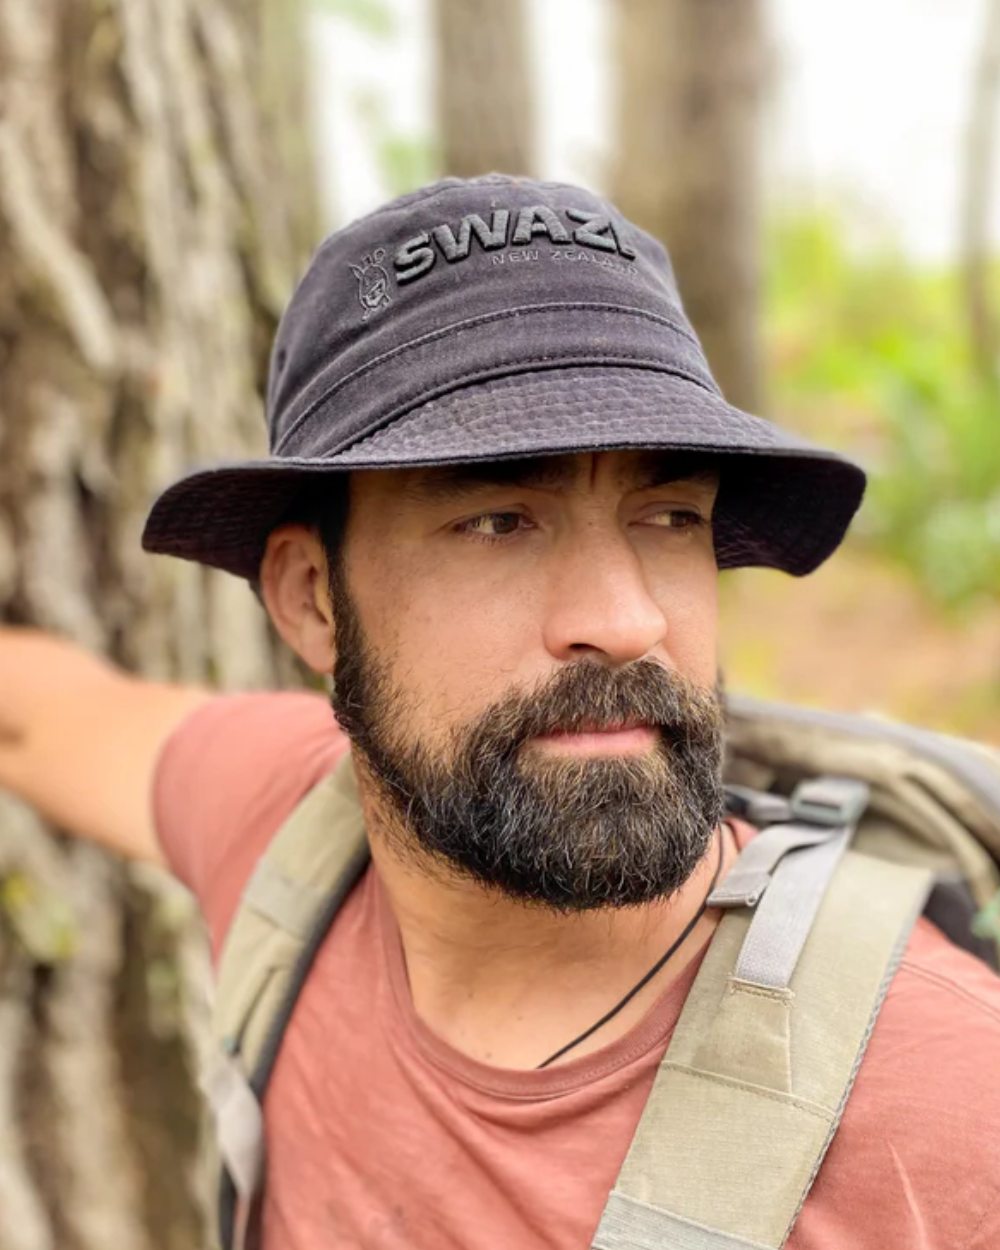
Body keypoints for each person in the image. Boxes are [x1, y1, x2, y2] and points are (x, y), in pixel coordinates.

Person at [1, 173, 999, 1250]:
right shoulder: (288, 829)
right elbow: (39, 717)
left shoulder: (947, 1115)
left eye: (670, 515)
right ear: (312, 598)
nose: (625, 620)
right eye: (498, 521)